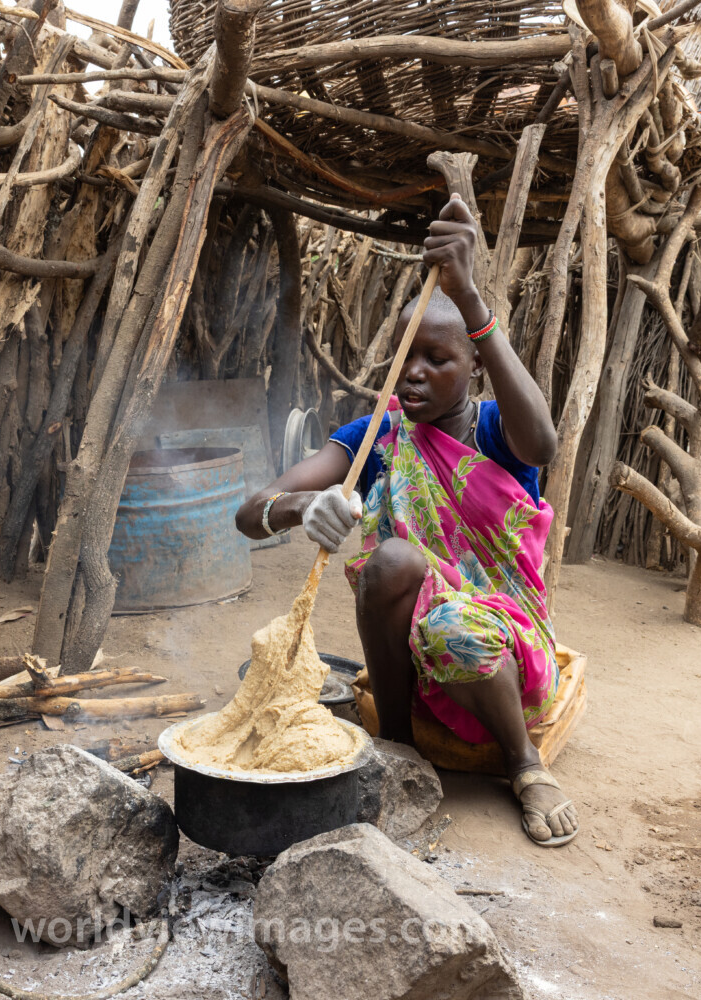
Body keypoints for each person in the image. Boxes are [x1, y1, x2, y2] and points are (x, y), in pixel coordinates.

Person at [235, 194, 577, 847]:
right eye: (405, 356)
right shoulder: (375, 441)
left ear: (475, 364)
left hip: (503, 648)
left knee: (452, 623)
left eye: (438, 358)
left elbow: (545, 443)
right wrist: (301, 508)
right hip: (413, 660)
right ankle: (395, 741)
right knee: (390, 563)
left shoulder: (493, 433)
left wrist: (471, 299)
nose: (415, 373)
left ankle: (523, 763)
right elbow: (250, 514)